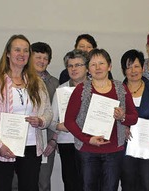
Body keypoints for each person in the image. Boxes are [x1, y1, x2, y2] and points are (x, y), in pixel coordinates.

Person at [0, 35, 52, 191]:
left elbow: (48, 111)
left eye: (26, 51)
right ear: (8, 53)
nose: (22, 54)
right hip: (3, 147)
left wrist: (41, 121)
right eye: (17, 50)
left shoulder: (37, 83)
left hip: (31, 147)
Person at [64, 48, 138, 191]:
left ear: (109, 66)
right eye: (93, 64)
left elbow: (133, 117)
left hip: (114, 151)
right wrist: (87, 139)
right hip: (87, 150)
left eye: (101, 63)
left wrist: (122, 117)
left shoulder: (120, 88)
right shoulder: (81, 89)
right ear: (88, 69)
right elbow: (69, 121)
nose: (98, 68)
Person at [120, 49, 149, 191]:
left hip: (148, 147)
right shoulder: (118, 90)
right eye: (129, 67)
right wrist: (123, 129)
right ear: (124, 71)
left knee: (148, 184)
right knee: (128, 184)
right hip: (125, 147)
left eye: (137, 66)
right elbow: (112, 118)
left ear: (143, 68)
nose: (133, 71)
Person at [50, 50, 88, 191]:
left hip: (89, 142)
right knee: (71, 183)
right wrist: (61, 126)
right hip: (67, 143)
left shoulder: (95, 87)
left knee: (89, 183)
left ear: (86, 67)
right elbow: (52, 121)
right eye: (70, 66)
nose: (74, 69)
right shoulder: (61, 89)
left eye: (78, 65)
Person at [29, 42, 58, 191]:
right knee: (17, 182)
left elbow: (59, 116)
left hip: (47, 143)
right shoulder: (19, 80)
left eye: (45, 58)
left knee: (43, 183)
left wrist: (53, 141)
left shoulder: (55, 84)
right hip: (23, 142)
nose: (41, 61)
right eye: (38, 57)